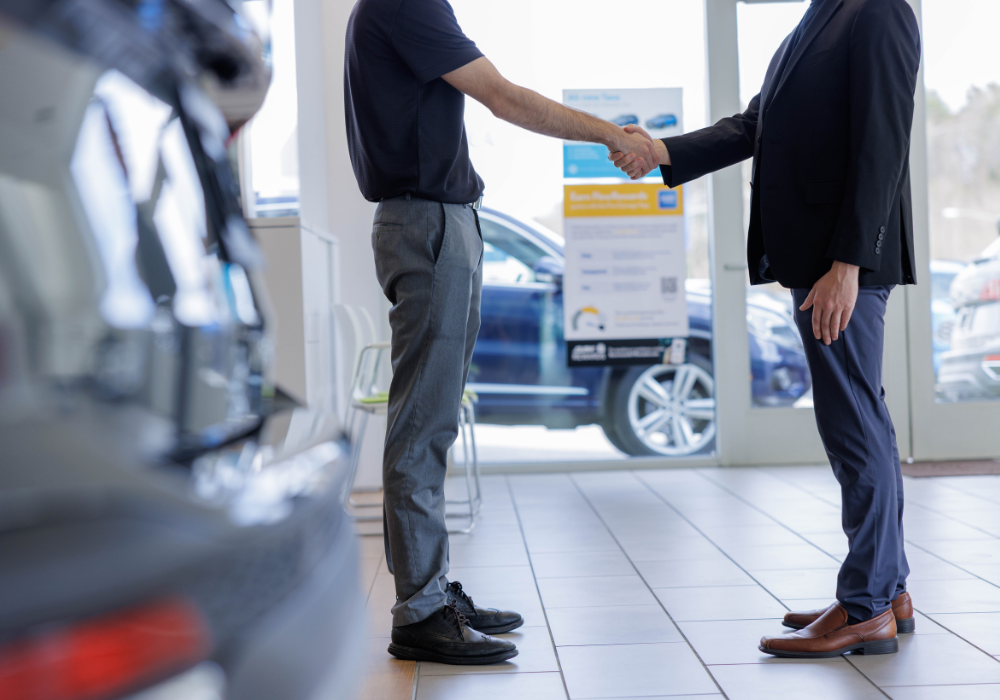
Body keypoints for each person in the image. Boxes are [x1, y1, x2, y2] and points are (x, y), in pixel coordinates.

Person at [344, 0, 653, 665]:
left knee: (433, 422)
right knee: (423, 425)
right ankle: (420, 611)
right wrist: (610, 135)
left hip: (436, 223)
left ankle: (429, 592)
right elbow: (504, 98)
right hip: (427, 227)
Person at [613, 0, 921, 658]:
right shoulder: (819, 19)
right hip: (820, 257)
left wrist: (848, 264)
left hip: (843, 262)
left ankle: (866, 606)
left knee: (851, 423)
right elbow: (759, 123)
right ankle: (886, 589)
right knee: (862, 416)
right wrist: (662, 150)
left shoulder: (879, 10)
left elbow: (884, 140)